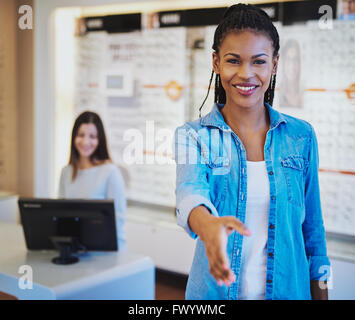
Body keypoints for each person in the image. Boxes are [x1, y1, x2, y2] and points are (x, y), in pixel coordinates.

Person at [174, 4, 330, 300]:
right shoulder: (193, 136)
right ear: (216, 62)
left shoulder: (301, 136)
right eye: (233, 61)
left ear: (274, 64)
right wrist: (208, 226)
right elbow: (189, 192)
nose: (246, 74)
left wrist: (322, 293)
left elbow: (314, 234)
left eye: (258, 62)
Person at [59, 111, 127, 250]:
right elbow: (60, 214)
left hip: (104, 250)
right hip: (75, 249)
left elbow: (118, 220)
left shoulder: (110, 172)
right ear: (74, 137)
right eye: (81, 135)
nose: (85, 142)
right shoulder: (66, 172)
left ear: (100, 140)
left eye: (92, 136)